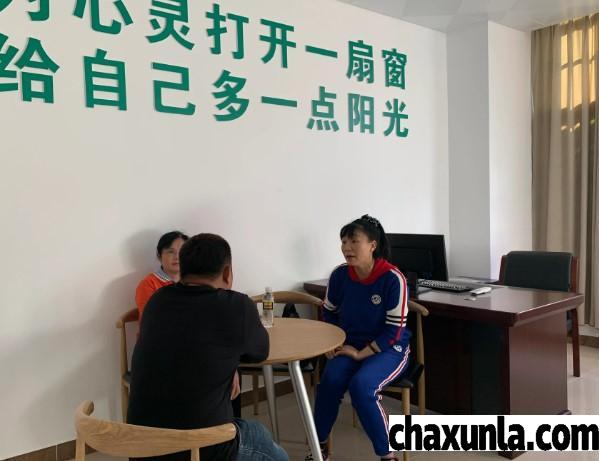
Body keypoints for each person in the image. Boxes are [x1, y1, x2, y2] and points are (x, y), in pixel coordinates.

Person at [127, 233, 288, 461]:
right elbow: (260, 352)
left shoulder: (158, 299)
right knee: (263, 439)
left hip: (142, 447)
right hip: (202, 448)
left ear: (183, 269)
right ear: (227, 273)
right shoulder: (237, 305)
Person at [308, 215, 411, 461]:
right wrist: (333, 342)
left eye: (354, 241)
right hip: (350, 344)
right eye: (344, 242)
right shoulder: (340, 275)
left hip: (389, 348)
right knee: (329, 381)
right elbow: (329, 312)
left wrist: (360, 354)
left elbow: (394, 331)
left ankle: (387, 455)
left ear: (372, 245)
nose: (347, 247)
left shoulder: (393, 278)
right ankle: (318, 446)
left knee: (362, 386)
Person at [135, 231, 188, 319]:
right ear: (159, 256)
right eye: (171, 252)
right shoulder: (148, 284)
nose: (177, 257)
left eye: (182, 251)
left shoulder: (193, 281)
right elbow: (151, 319)